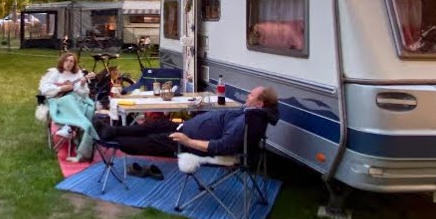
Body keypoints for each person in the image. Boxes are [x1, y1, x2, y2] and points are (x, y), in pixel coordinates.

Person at [105, 86, 279, 165]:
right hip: (185, 128)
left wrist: (187, 141)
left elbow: (223, 146)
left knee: (151, 139)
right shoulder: (249, 113)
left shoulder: (246, 121)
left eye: (251, 95)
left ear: (260, 104)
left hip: (188, 141)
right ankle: (112, 130)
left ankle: (113, 141)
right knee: (153, 125)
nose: (247, 96)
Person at [38, 53, 99, 162]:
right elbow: (44, 89)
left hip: (75, 101)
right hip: (57, 100)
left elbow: (84, 94)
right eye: (67, 60)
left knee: (89, 108)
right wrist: (61, 88)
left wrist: (82, 84)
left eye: (72, 61)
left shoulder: (78, 75)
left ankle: (78, 142)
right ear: (62, 61)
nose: (69, 63)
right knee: (68, 99)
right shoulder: (55, 73)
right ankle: (69, 127)